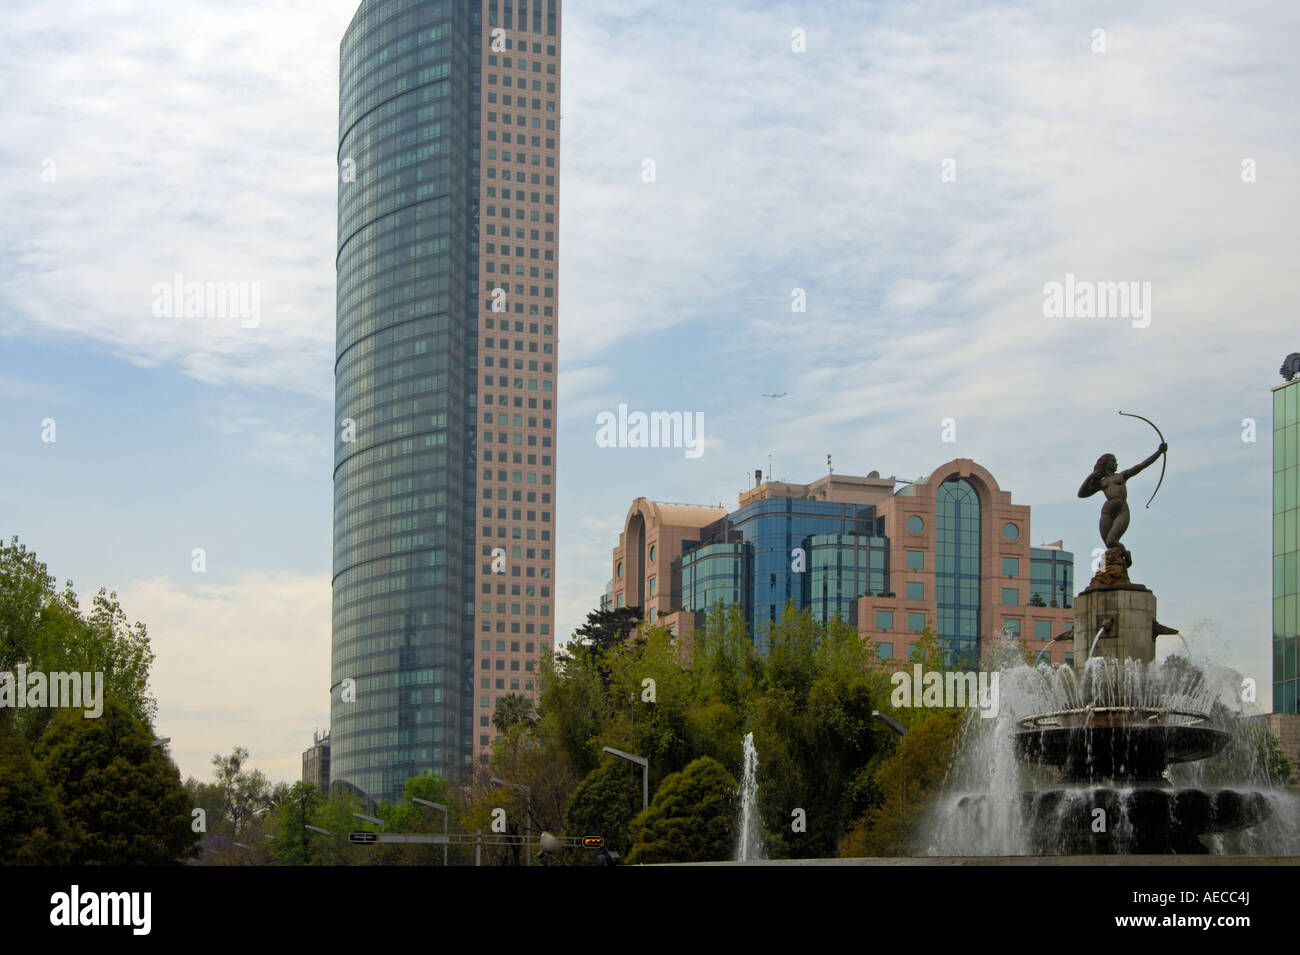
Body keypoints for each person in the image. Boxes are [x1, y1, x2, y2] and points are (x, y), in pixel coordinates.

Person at [1078, 443, 1167, 566]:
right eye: (1113, 461)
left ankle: (1126, 555)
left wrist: (1159, 452)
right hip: (1107, 512)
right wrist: (1092, 476)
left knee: (1112, 541)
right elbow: (1082, 494)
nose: (1116, 464)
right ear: (1106, 464)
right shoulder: (1101, 483)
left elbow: (1141, 466)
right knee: (1109, 546)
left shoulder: (1122, 475)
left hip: (1121, 509)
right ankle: (1111, 568)